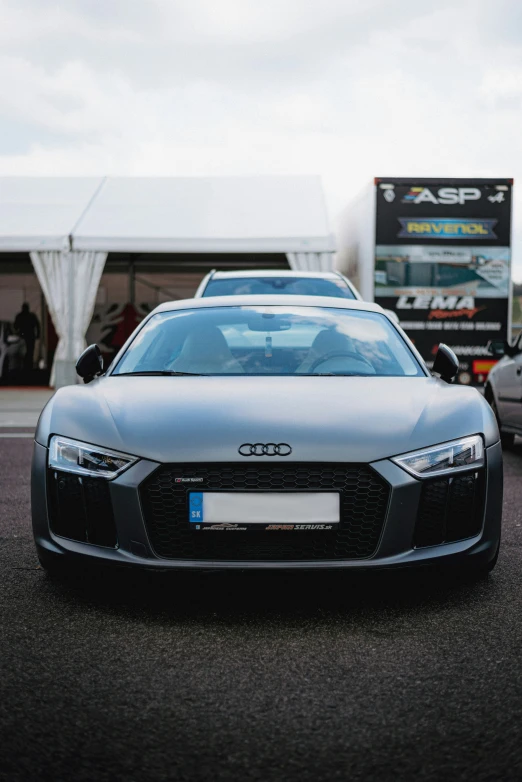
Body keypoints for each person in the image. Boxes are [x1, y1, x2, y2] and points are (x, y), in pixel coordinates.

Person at [14, 303, 40, 371]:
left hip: (25, 336)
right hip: (28, 336)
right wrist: (38, 334)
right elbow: (37, 325)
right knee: (28, 352)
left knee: (28, 352)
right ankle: (28, 366)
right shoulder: (31, 316)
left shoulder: (21, 316)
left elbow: (15, 326)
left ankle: (27, 366)